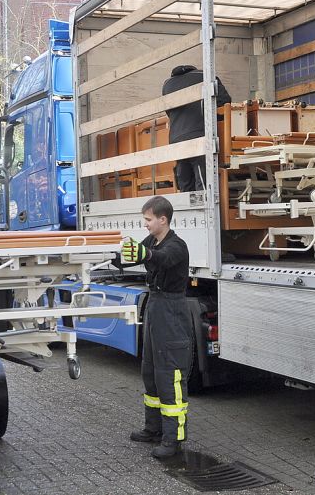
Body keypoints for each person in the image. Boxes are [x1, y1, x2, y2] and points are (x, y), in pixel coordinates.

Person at [114, 195, 192, 459]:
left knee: (170, 373)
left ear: (163, 219)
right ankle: (153, 429)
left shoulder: (176, 246)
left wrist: (144, 252)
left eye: (148, 220)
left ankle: (173, 439)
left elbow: (161, 258)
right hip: (155, 306)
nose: (145, 224)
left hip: (171, 310)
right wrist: (113, 254)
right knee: (150, 370)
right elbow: (133, 257)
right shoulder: (152, 240)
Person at [163, 65, 231, 192]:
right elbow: (225, 101)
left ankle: (189, 210)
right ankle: (205, 210)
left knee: (185, 181)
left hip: (176, 139)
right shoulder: (203, 76)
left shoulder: (167, 85)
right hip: (198, 136)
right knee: (202, 180)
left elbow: (169, 112)